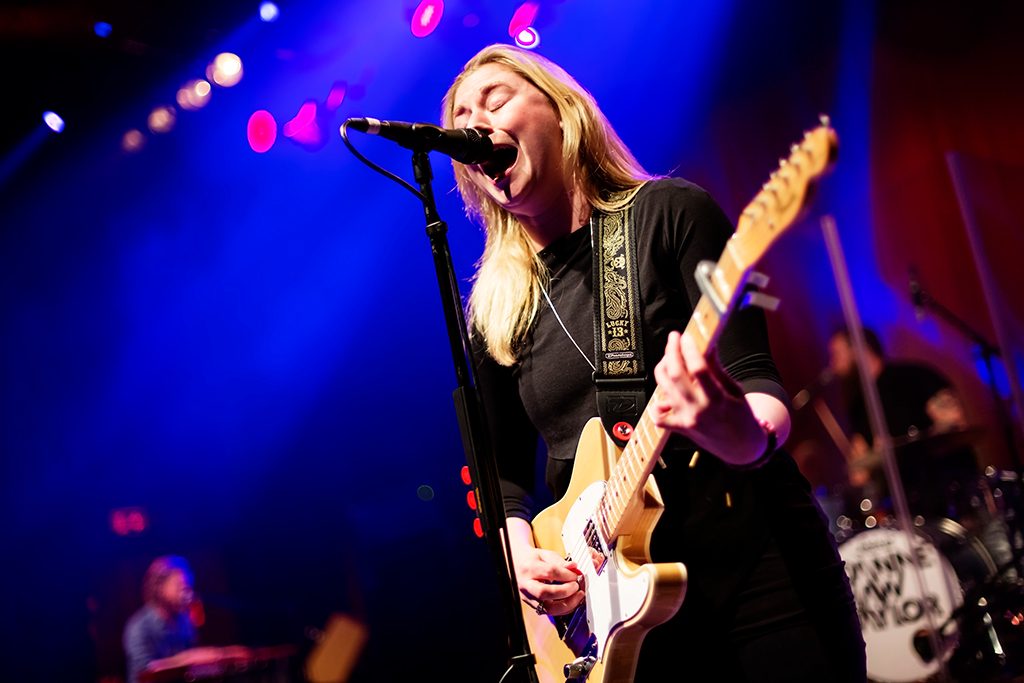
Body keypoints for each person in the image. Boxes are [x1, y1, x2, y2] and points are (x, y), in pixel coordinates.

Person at [443, 44, 865, 681]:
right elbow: (503, 477)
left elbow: (758, 381)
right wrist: (520, 553)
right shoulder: (498, 307)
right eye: (461, 121)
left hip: (756, 564)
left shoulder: (668, 214)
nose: (475, 126)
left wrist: (732, 430)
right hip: (617, 611)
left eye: (495, 100)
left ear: (561, 111)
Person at [123, 556, 199, 683]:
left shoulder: (184, 621)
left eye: (187, 587)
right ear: (159, 588)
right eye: (179, 586)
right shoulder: (139, 627)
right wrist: (188, 658)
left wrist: (220, 655)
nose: (186, 593)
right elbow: (146, 671)